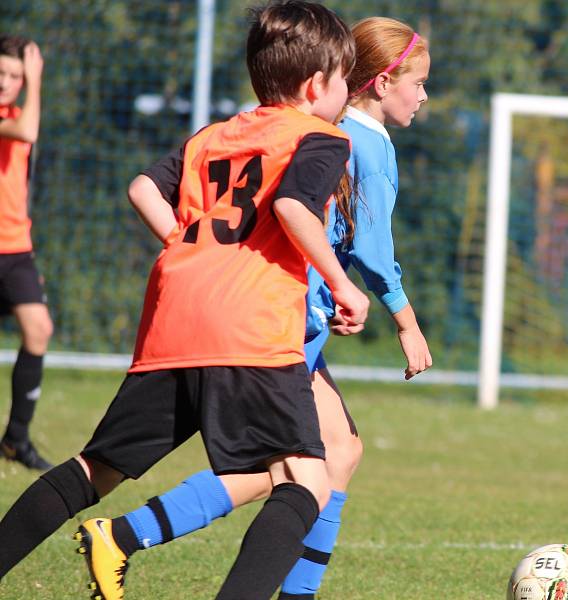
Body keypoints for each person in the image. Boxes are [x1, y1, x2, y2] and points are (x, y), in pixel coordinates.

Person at [0, 3, 371, 599]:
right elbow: (293, 208)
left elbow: (142, 186)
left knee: (95, 470)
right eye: (343, 80)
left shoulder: (216, 135)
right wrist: (345, 285)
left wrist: (183, 242)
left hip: (172, 321)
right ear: (316, 85)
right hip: (249, 331)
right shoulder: (322, 138)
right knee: (306, 479)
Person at [73, 16, 432, 600]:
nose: (424, 95)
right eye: (418, 82)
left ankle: (143, 540)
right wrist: (406, 320)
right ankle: (124, 534)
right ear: (382, 83)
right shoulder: (365, 144)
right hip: (281, 318)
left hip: (276, 308)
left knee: (337, 453)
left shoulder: (325, 126)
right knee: (289, 470)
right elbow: (371, 246)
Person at [0, 35, 54, 472]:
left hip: (15, 247)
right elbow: (28, 130)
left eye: (14, 75)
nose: (5, 82)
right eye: (0, 72)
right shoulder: (16, 118)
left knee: (38, 329)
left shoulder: (18, 111)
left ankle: (16, 439)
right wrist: (36, 80)